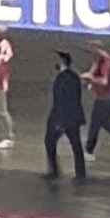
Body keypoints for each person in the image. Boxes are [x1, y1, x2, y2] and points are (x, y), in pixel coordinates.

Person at [44, 52, 86, 182]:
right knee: (76, 145)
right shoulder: (74, 77)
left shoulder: (62, 79)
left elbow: (61, 101)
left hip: (62, 118)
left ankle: (54, 171)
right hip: (73, 117)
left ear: (62, 62)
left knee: (49, 141)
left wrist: (59, 121)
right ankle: (80, 173)